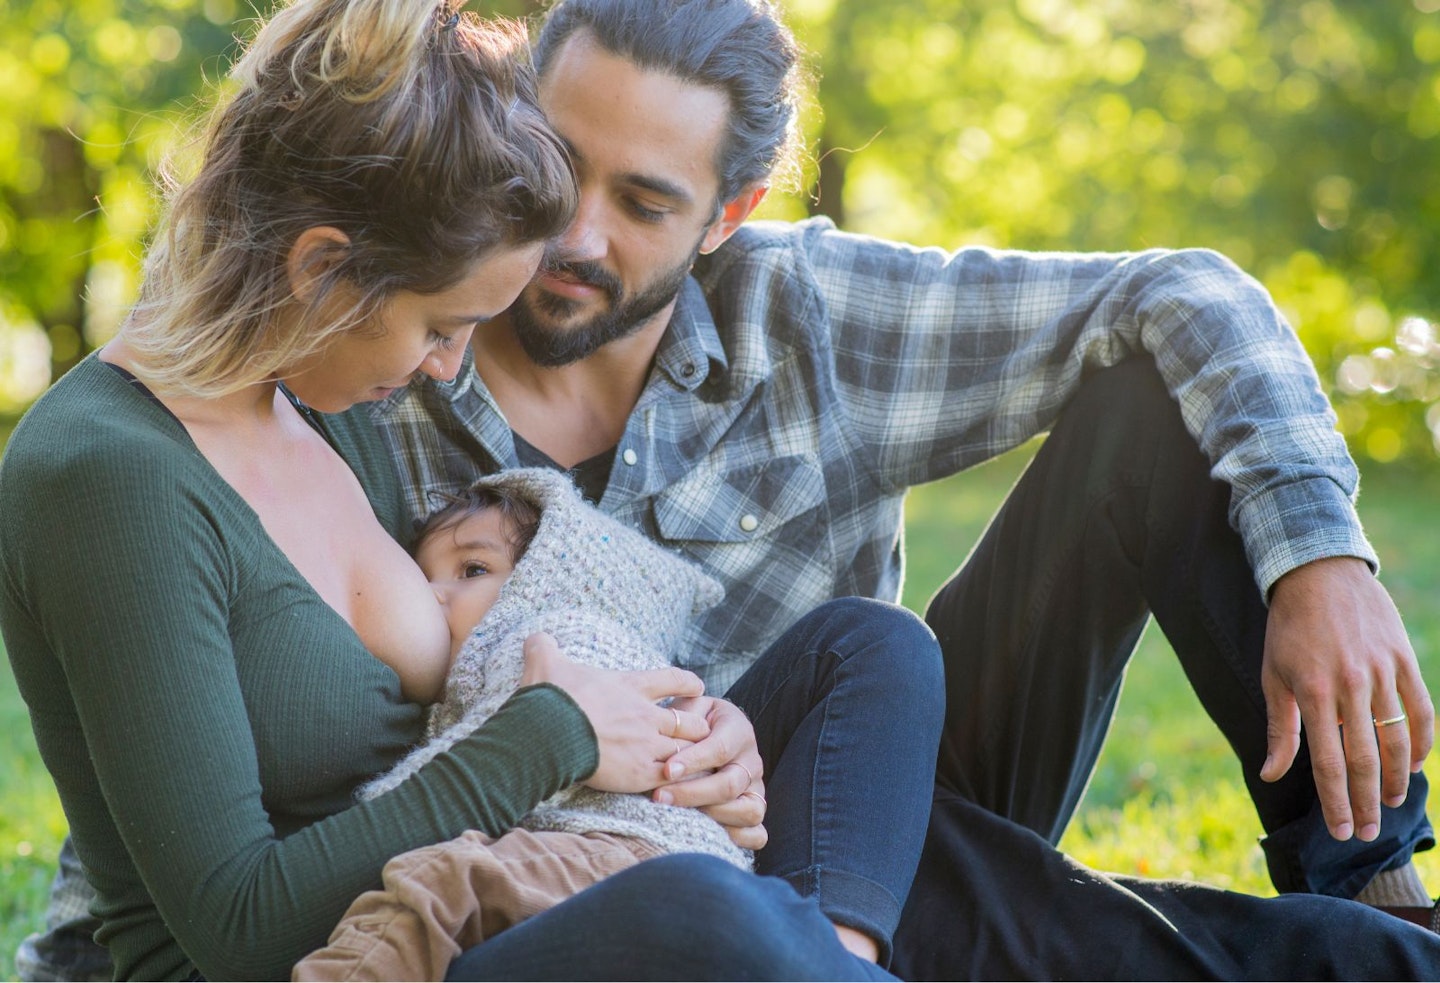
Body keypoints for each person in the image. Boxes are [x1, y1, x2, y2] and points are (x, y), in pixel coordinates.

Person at [16, 0, 1440, 978]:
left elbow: (1184, 292)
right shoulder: (346, 377)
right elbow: (211, 816)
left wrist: (1322, 554)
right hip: (571, 858)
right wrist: (573, 734)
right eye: (557, 168)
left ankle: (1371, 893)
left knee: (965, 576)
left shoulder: (803, 313)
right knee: (781, 915)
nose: (571, 236)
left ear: (729, 212)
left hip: (802, 808)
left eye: (641, 202)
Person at [0, 2, 829, 979]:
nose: (449, 366)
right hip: (321, 962)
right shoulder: (106, 474)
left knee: (860, 654)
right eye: (441, 325)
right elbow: (234, 926)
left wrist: (684, 737)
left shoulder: (317, 403)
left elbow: (486, 672)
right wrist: (554, 736)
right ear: (321, 267)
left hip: (471, 911)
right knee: (712, 915)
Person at [294, 468, 943, 979]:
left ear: (545, 577)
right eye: (424, 577)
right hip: (686, 858)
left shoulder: (533, 641)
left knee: (429, 888)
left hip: (601, 845)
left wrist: (379, 806)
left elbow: (481, 761)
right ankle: (836, 964)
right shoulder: (598, 646)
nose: (433, 595)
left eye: (472, 569)